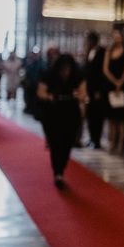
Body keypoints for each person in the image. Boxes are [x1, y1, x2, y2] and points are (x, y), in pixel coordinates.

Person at [37, 54, 86, 189]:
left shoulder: (77, 75)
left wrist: (77, 96)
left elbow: (83, 93)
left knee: (67, 142)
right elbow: (41, 92)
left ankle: (61, 167)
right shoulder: (49, 74)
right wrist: (49, 96)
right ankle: (58, 172)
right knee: (56, 143)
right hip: (54, 112)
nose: (65, 71)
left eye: (67, 68)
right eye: (63, 69)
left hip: (71, 112)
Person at [103, 27, 124, 155]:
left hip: (122, 86)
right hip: (111, 85)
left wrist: (120, 82)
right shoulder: (109, 52)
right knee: (112, 118)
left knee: (121, 119)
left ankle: (121, 144)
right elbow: (105, 69)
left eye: (119, 36)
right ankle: (112, 142)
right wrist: (114, 82)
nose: (117, 38)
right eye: (115, 36)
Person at [83, 32, 106, 148]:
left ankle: (97, 140)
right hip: (89, 88)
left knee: (98, 116)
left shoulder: (102, 52)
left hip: (97, 89)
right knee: (90, 115)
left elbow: (101, 73)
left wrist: (98, 90)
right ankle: (92, 138)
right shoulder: (89, 52)